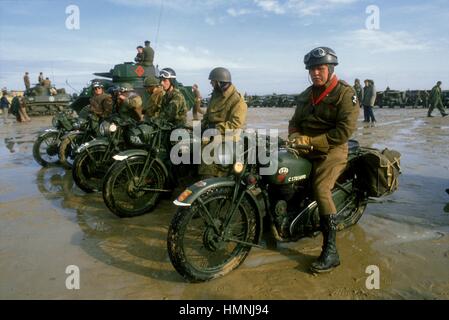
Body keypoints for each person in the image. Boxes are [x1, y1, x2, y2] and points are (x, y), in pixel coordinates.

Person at [288, 47, 359, 273]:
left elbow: (344, 132)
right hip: (305, 145)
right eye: (312, 69)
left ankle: (331, 251)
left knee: (321, 189)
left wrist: (311, 141)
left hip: (332, 149)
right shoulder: (306, 95)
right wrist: (294, 136)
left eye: (320, 68)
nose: (315, 73)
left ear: (329, 69)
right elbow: (294, 121)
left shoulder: (345, 94)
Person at [199, 67, 248, 177]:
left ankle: (208, 182)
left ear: (219, 82)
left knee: (208, 160)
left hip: (227, 137)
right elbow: (208, 115)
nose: (211, 83)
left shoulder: (237, 100)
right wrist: (201, 127)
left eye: (212, 81)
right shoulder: (215, 95)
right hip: (211, 134)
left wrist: (214, 128)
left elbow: (235, 124)